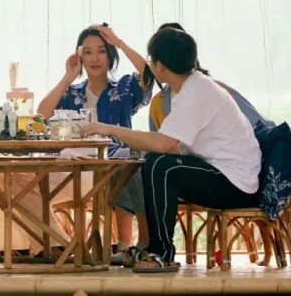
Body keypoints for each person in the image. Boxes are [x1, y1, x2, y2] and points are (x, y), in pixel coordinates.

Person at [81, 27, 261, 272]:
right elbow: (168, 143)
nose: (149, 64)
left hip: (235, 183)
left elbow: (164, 143)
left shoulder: (196, 92)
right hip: (223, 173)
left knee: (159, 165)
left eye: (151, 59)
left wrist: (109, 129)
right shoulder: (189, 87)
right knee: (148, 161)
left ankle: (161, 253)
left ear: (160, 66)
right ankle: (149, 245)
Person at [37, 24, 152, 262]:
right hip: (76, 166)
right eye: (87, 52)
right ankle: (65, 244)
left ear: (110, 55)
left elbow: (149, 77)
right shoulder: (72, 92)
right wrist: (68, 76)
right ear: (80, 56)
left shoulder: (124, 88)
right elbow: (42, 115)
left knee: (126, 166)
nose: (95, 58)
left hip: (113, 165)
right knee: (31, 178)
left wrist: (119, 42)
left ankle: (125, 244)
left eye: (101, 51)